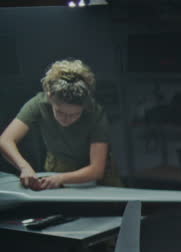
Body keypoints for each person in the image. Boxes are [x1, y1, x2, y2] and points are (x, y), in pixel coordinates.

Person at [0, 58, 121, 189]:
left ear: (84, 107)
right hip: (57, 166)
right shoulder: (38, 104)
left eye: (74, 114)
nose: (66, 119)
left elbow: (96, 170)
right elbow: (5, 140)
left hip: (95, 173)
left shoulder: (95, 113)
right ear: (50, 97)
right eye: (60, 112)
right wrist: (24, 167)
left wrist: (60, 178)